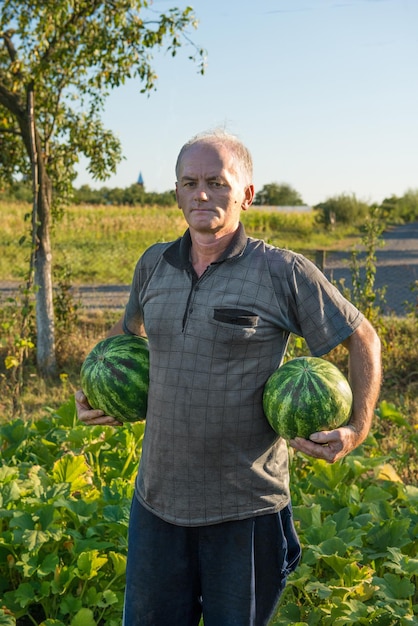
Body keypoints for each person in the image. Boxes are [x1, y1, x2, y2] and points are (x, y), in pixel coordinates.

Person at [76, 130, 381, 626]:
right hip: (157, 504)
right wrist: (95, 388)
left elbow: (362, 337)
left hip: (246, 511)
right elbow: (124, 334)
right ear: (175, 192)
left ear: (247, 194)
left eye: (217, 182)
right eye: (190, 182)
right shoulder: (153, 264)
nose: (202, 194)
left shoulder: (282, 271)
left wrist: (358, 427)